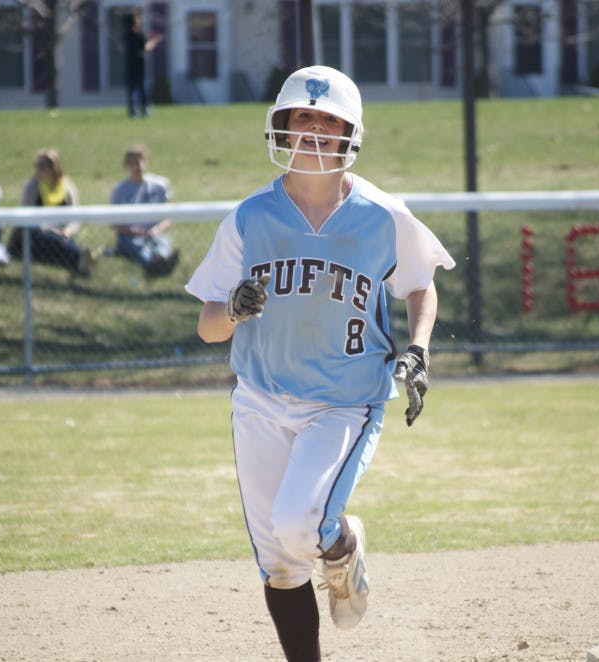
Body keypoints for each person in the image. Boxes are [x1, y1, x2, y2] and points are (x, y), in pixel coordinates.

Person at [185, 65, 455, 661]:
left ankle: (340, 543)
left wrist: (419, 349)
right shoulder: (251, 217)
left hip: (343, 401)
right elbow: (208, 328)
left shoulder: (382, 215)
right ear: (280, 126)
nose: (312, 132)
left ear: (349, 134)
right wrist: (231, 309)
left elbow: (420, 285)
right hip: (259, 398)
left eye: (327, 120)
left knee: (299, 526)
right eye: (302, 118)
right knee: (280, 565)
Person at [8, 149, 95, 278]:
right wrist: (50, 229)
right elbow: (26, 219)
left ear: (54, 168)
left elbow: (75, 218)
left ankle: (80, 261)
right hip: (34, 235)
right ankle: (81, 258)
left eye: (42, 166)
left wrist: (68, 231)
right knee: (54, 241)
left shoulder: (68, 188)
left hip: (62, 233)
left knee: (63, 241)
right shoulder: (32, 187)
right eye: (36, 165)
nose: (37, 170)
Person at [109, 145, 179, 277]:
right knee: (138, 247)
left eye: (141, 161)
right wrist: (134, 231)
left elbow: (168, 217)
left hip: (153, 232)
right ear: (126, 165)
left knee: (162, 243)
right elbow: (113, 223)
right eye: (134, 162)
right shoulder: (119, 190)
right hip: (130, 235)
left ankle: (164, 260)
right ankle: (154, 265)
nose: (138, 165)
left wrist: (156, 230)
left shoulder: (159, 186)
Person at [122, 10, 163, 119]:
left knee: (131, 90)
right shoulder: (138, 36)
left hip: (129, 66)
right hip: (140, 67)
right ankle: (144, 110)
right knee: (143, 89)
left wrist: (147, 38)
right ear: (134, 23)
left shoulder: (126, 36)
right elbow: (146, 47)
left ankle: (132, 111)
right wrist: (155, 41)